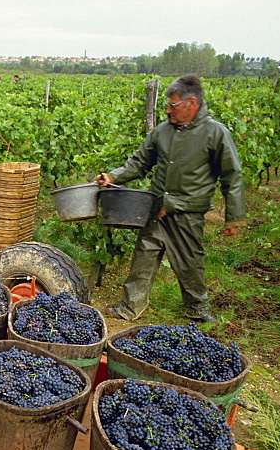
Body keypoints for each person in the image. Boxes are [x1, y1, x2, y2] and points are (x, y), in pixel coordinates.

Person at [97, 74, 245, 324]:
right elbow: (139, 163)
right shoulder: (162, 132)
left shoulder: (215, 133)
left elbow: (232, 175)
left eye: (173, 105)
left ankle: (197, 308)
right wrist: (113, 176)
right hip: (156, 209)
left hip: (187, 212)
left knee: (189, 262)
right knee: (144, 256)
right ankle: (131, 306)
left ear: (192, 103)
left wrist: (235, 218)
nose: (167, 111)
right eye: (167, 105)